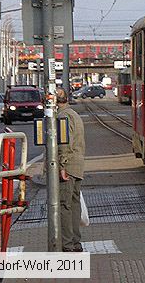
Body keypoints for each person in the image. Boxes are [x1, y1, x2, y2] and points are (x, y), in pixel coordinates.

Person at [56, 88, 85, 252]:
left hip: (68, 166)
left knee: (64, 206)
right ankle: (76, 243)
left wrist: (62, 166)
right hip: (78, 165)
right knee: (74, 205)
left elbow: (64, 143)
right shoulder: (75, 114)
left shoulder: (62, 117)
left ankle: (67, 245)